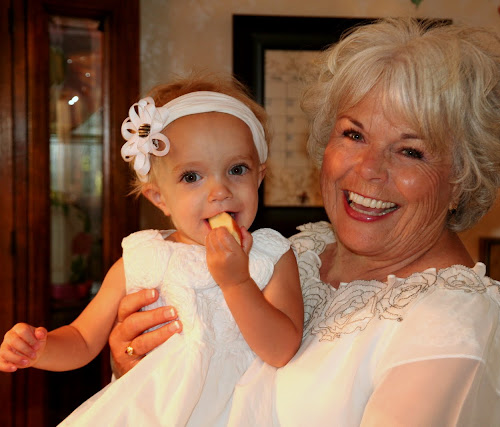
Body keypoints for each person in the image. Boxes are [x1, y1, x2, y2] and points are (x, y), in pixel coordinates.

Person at [110, 18, 500, 426]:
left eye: (410, 151)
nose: (368, 169)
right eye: (354, 135)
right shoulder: (294, 251)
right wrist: (137, 368)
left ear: (463, 180)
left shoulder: (454, 326)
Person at [0, 75, 304, 425]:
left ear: (259, 178)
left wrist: (237, 283)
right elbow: (82, 339)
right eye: (192, 177)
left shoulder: (270, 256)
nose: (220, 190)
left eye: (237, 170)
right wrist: (40, 349)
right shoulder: (144, 258)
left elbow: (282, 350)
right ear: (159, 198)